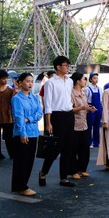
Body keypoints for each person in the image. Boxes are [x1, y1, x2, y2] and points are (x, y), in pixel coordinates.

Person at [39, 56, 76, 187]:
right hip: (57, 116)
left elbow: (69, 98)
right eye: (66, 65)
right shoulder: (50, 82)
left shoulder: (70, 81)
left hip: (69, 114)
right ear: (58, 67)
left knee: (68, 147)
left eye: (68, 65)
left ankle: (64, 178)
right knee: (56, 147)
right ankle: (43, 172)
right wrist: (48, 123)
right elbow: (47, 103)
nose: (68, 67)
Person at [11, 72, 43, 197]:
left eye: (31, 81)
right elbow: (19, 118)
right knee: (21, 161)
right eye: (27, 81)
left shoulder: (34, 97)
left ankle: (23, 184)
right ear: (20, 83)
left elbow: (39, 113)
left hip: (34, 132)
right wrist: (22, 133)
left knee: (29, 161)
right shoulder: (17, 99)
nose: (30, 83)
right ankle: (21, 186)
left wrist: (28, 118)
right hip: (22, 133)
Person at [71, 72, 96, 180]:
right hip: (74, 124)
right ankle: (73, 171)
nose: (85, 81)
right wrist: (81, 108)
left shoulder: (83, 92)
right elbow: (69, 109)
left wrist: (89, 109)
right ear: (77, 81)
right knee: (73, 149)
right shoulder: (71, 93)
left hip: (84, 124)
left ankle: (82, 169)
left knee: (85, 148)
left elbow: (85, 106)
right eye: (83, 79)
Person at [0, 69, 17, 160]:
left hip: (8, 116)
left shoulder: (10, 90)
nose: (5, 80)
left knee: (10, 137)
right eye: (3, 79)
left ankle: (12, 153)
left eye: (6, 78)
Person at [85, 72, 103, 148]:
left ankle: (96, 142)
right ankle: (89, 142)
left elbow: (101, 100)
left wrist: (102, 109)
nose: (96, 80)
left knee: (97, 126)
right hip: (91, 108)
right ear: (90, 79)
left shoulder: (100, 88)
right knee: (89, 126)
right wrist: (88, 108)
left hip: (98, 108)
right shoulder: (87, 89)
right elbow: (85, 100)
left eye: (97, 78)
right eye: (94, 78)